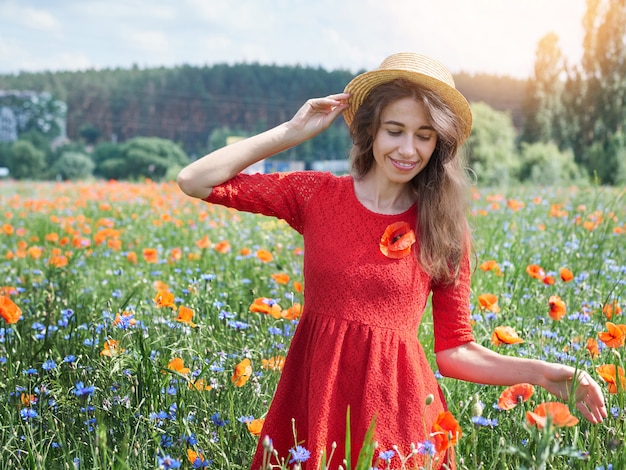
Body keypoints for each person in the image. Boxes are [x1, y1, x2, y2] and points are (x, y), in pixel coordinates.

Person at [176, 52, 607, 470]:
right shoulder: (316, 195)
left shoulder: (442, 227)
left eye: (424, 135)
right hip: (315, 401)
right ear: (371, 131)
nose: (408, 148)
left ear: (439, 143)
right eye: (395, 130)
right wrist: (291, 133)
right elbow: (195, 180)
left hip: (397, 418)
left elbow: (455, 351)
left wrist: (544, 373)